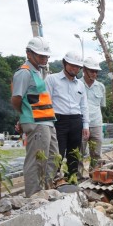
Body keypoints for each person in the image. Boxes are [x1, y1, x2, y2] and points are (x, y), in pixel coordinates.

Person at [10, 37, 59, 197]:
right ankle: (34, 196)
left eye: (46, 56)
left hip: (46, 121)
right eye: (40, 55)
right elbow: (16, 98)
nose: (44, 59)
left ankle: (46, 189)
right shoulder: (24, 72)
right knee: (36, 160)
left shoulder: (37, 71)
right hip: (36, 122)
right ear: (29, 53)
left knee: (53, 156)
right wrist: (23, 116)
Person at [45, 51, 89, 179]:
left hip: (76, 120)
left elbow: (84, 105)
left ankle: (72, 180)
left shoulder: (80, 85)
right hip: (58, 120)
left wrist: (85, 125)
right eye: (71, 65)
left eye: (77, 67)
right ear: (64, 63)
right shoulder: (51, 79)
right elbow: (47, 101)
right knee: (57, 152)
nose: (74, 69)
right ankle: (54, 180)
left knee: (74, 154)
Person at [80, 56, 105, 176]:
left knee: (96, 153)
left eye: (96, 71)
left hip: (96, 124)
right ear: (84, 70)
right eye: (92, 70)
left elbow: (101, 105)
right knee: (78, 152)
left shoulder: (101, 87)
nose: (94, 73)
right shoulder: (77, 84)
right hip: (80, 124)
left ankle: (95, 176)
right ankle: (77, 177)